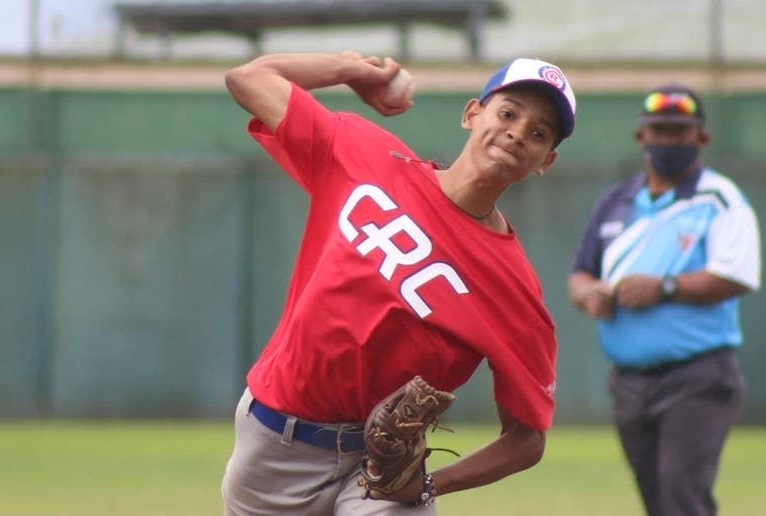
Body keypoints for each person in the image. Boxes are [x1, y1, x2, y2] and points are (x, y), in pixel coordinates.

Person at [221, 51, 578, 515]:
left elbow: (527, 437)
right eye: (508, 113)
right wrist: (349, 70)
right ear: (473, 114)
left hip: (382, 474)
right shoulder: (365, 157)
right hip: (277, 445)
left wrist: (427, 485)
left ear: (544, 161)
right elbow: (249, 79)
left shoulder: (514, 289)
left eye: (538, 133)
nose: (516, 132)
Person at [567, 84, 761, 516]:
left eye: (679, 131)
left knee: (681, 494)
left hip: (698, 376)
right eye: (659, 130)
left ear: (701, 138)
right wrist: (589, 296)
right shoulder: (616, 201)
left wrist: (664, 287)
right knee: (657, 499)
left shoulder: (719, 197)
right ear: (641, 137)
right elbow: (580, 273)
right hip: (629, 380)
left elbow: (737, 274)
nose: (668, 140)